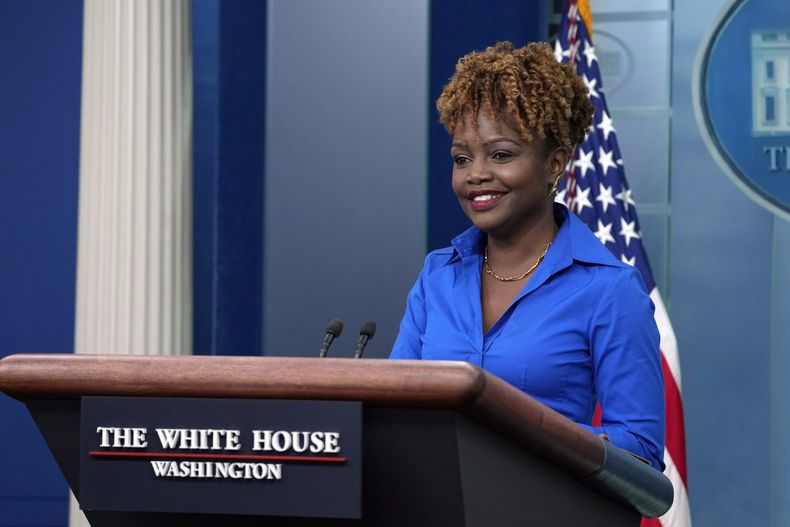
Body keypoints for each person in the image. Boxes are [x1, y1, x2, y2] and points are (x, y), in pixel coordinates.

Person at [390, 41, 665, 471]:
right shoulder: (437, 275)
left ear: (555, 164)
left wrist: (516, 433)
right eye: (462, 159)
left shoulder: (610, 290)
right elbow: (395, 405)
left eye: (501, 154)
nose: (476, 174)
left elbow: (640, 450)